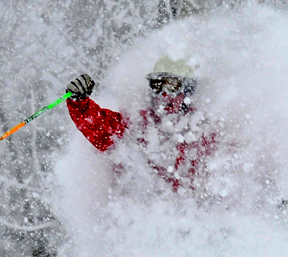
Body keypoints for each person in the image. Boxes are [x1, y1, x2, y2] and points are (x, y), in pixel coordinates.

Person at [66, 57, 216, 197]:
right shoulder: (137, 124)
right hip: (139, 214)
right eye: (157, 86)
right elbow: (99, 128)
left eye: (172, 86)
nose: (164, 95)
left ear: (187, 90)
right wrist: (79, 102)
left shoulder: (203, 130)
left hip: (189, 215)